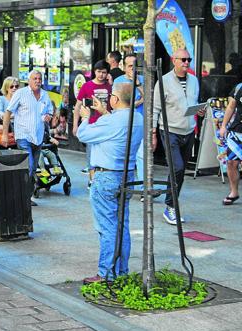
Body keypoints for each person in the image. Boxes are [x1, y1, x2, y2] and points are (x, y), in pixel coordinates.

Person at [77, 83, 143, 284]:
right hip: (127, 174)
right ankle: (120, 270)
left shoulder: (112, 122)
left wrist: (86, 117)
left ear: (115, 99)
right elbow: (115, 127)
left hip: (106, 176)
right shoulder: (137, 118)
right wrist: (104, 112)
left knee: (107, 226)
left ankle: (106, 272)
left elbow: (82, 134)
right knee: (122, 225)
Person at [153, 49, 203, 225]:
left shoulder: (194, 81)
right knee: (178, 168)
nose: (186, 63)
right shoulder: (164, 81)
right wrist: (153, 133)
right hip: (169, 130)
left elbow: (193, 103)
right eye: (183, 59)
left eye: (189, 59)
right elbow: (155, 109)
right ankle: (170, 206)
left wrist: (200, 109)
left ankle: (171, 205)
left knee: (179, 171)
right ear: (174, 60)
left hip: (188, 131)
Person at [2, 70, 54, 206]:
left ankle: (26, 196)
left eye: (39, 78)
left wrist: (49, 116)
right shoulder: (21, 93)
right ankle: (22, 198)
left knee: (32, 168)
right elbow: (8, 113)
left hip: (38, 137)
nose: (37, 81)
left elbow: (49, 112)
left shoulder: (45, 95)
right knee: (30, 166)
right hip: (23, 136)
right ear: (29, 80)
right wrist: (5, 134)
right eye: (34, 78)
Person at [73, 60, 112, 185]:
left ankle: (100, 179)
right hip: (91, 125)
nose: (101, 75)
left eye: (104, 72)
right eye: (99, 72)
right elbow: (78, 106)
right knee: (91, 154)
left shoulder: (110, 86)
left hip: (106, 125)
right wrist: (75, 125)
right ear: (94, 71)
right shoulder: (87, 86)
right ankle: (92, 180)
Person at [114, 54, 145, 194]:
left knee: (141, 156)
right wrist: (137, 102)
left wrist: (138, 84)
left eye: (135, 66)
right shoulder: (118, 81)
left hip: (140, 123)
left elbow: (149, 99)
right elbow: (117, 103)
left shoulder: (143, 80)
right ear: (124, 67)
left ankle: (144, 189)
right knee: (124, 155)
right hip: (123, 124)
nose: (133, 69)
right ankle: (125, 186)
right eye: (130, 66)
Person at [216, 82, 242, 205]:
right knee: (231, 163)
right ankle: (234, 192)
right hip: (237, 131)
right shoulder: (239, 87)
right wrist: (224, 126)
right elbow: (231, 106)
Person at [0, 76, 19, 149]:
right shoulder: (1, 99)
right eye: (11, 86)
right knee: (3, 148)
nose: (14, 88)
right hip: (5, 126)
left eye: (16, 86)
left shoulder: (19, 99)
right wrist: (8, 116)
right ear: (6, 88)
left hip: (17, 127)